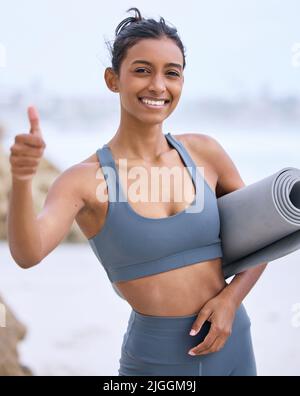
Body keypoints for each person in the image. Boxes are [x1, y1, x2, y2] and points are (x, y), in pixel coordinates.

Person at [7, 7, 267, 376]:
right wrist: (21, 177)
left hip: (232, 341)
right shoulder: (83, 180)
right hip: (155, 359)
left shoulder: (205, 153)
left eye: (171, 74)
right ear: (113, 80)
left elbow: (265, 235)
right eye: (142, 70)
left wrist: (231, 300)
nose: (158, 86)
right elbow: (27, 252)